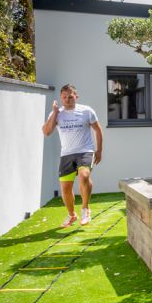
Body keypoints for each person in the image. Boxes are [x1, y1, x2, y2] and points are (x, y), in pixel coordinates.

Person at [42, 84, 103, 227]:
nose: (67, 99)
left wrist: (99, 151)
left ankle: (85, 209)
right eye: (64, 97)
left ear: (76, 96)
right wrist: (55, 113)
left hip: (85, 151)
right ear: (61, 98)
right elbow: (46, 132)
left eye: (70, 96)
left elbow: (98, 130)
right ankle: (71, 215)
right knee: (65, 188)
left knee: (84, 176)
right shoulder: (56, 113)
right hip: (66, 154)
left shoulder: (86, 111)